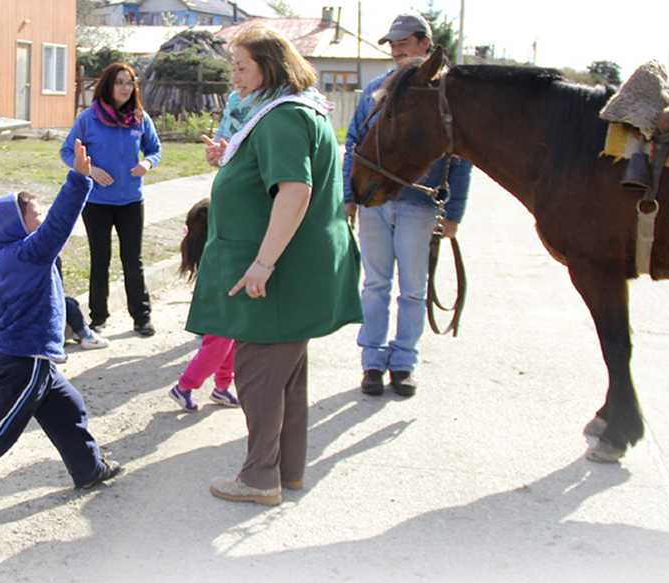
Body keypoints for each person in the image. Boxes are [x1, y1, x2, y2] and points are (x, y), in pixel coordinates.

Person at [189, 23, 362, 506]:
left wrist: (263, 263)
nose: (236, 76)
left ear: (269, 66)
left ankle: (259, 478)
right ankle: (286, 471)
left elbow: (295, 190)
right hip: (294, 267)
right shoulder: (288, 110)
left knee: (260, 373)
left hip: (279, 271)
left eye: (242, 66)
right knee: (286, 376)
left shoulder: (282, 116)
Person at [0, 139, 121, 515]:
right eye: (35, 215)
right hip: (26, 362)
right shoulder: (31, 253)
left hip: (33, 361)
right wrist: (79, 180)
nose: (43, 218)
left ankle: (88, 469)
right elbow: (61, 222)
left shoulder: (3, 260)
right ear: (16, 226)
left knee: (69, 407)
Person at [342, 13, 474, 398]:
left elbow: (461, 158)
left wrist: (454, 213)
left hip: (419, 204)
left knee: (413, 289)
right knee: (375, 285)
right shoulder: (375, 88)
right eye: (392, 45)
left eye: (403, 43)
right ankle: (372, 361)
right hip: (374, 204)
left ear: (423, 44)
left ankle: (403, 362)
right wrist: (349, 196)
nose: (396, 50)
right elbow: (354, 142)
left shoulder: (443, 92)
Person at [60, 62, 161, 338]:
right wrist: (89, 169)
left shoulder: (140, 118)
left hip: (131, 200)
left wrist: (148, 164)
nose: (125, 88)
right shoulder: (88, 119)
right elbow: (67, 151)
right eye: (119, 82)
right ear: (108, 84)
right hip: (97, 202)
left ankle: (142, 318)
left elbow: (155, 149)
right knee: (100, 259)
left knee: (132, 259)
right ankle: (98, 318)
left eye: (130, 82)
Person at [168, 198, 239, 412]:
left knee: (228, 343)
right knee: (217, 347)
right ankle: (184, 386)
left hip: (228, 303)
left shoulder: (212, 245)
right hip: (223, 303)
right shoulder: (219, 250)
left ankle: (222, 387)